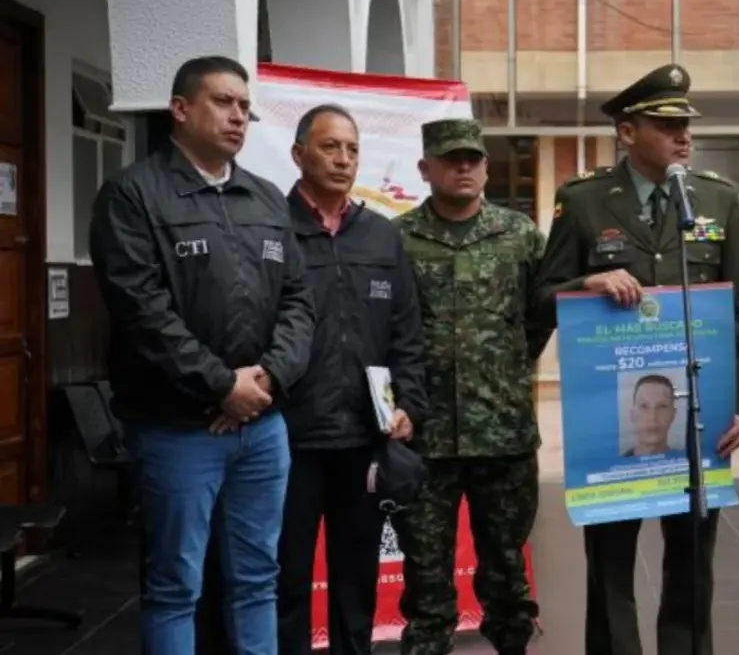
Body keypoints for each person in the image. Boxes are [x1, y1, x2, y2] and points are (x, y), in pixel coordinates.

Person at [88, 55, 315, 655]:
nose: (238, 116)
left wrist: (266, 380)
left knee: (257, 580)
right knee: (174, 586)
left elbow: (299, 300)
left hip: (263, 428)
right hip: (176, 429)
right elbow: (142, 311)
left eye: (244, 106)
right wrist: (221, 385)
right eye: (222, 101)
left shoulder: (266, 198)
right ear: (180, 109)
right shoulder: (132, 195)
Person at [533, 63, 739, 655]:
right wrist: (589, 280)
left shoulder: (715, 198)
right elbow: (540, 295)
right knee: (611, 561)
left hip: (696, 412)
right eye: (666, 124)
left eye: (686, 123)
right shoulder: (583, 202)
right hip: (615, 416)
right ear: (627, 132)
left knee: (692, 561)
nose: (683, 135)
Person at [393, 118, 551, 655]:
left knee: (507, 572)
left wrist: (504, 370)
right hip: (425, 437)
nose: (464, 167)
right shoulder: (398, 238)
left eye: (473, 159)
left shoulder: (520, 234)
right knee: (426, 577)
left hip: (502, 433)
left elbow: (539, 316)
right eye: (451, 159)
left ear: (485, 166)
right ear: (425, 168)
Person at [275, 104, 428, 655]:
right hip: (290, 438)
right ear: (298, 155)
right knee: (285, 576)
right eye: (329, 147)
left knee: (355, 575)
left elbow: (407, 336)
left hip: (365, 438)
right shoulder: (273, 227)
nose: (343, 159)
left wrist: (407, 404)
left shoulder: (381, 237)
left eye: (352, 149)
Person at [624, 374, 677, 456]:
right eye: (644, 406)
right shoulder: (614, 466)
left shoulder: (688, 461)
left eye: (662, 407)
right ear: (632, 415)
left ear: (673, 415)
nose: (653, 417)